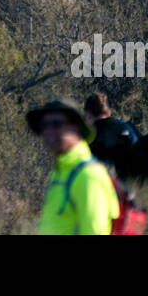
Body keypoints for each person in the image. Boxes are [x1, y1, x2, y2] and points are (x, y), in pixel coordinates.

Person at [27, 98, 119, 235]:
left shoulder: (88, 176)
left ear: (76, 127)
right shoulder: (61, 171)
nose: (48, 130)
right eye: (44, 125)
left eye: (56, 124)